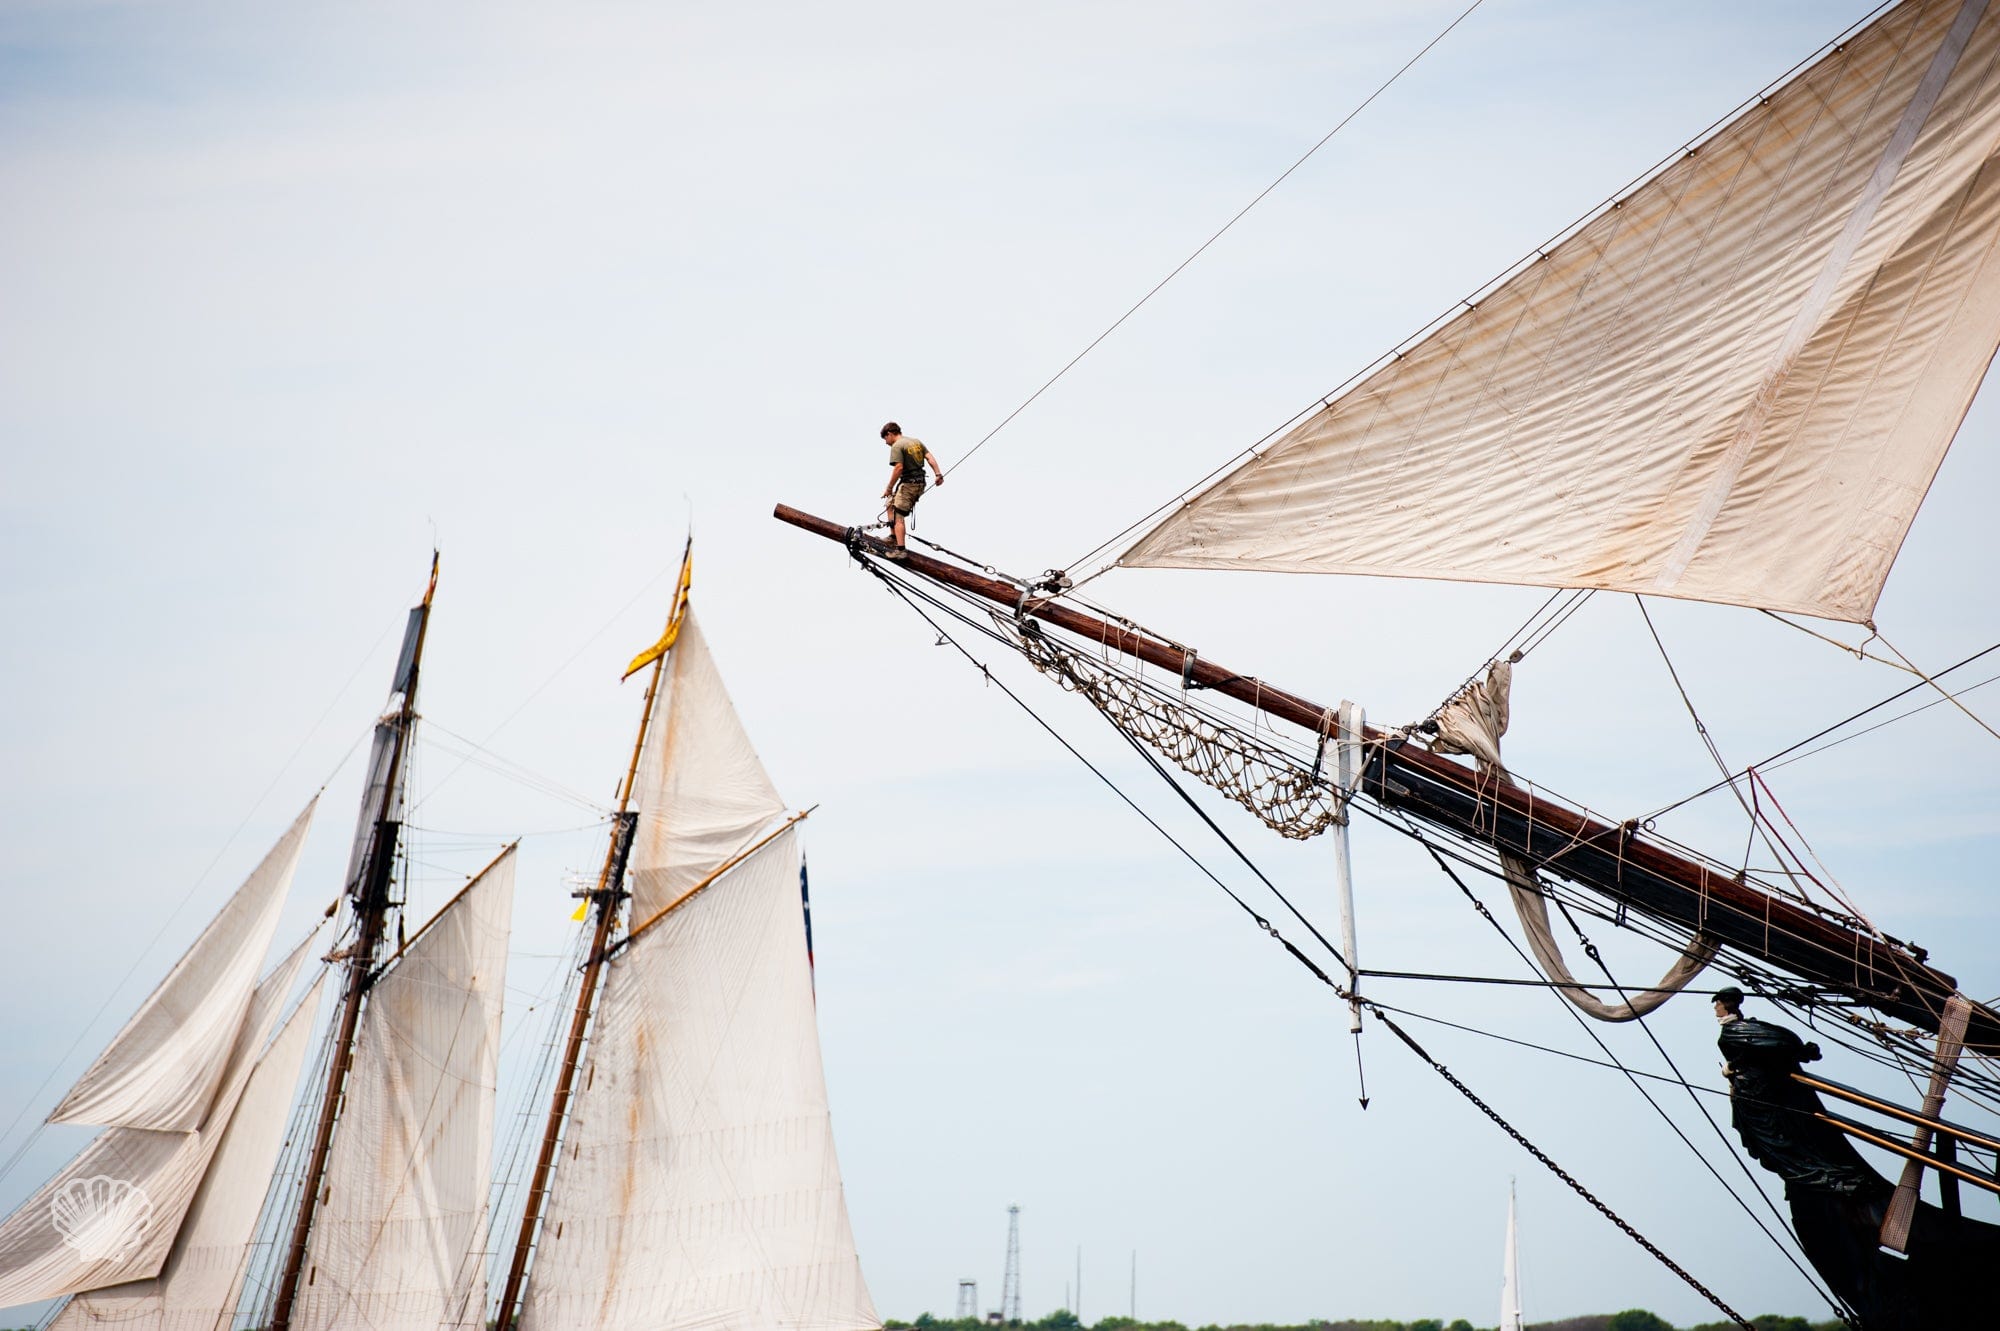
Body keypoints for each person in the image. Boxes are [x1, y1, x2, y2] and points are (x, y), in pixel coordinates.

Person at [878, 422, 943, 556]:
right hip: (919, 482)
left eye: (885, 439)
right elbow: (930, 458)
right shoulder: (915, 442)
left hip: (909, 485)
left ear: (889, 434)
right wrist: (938, 474)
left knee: (898, 515)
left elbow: (898, 468)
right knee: (889, 504)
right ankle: (893, 537)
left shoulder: (897, 446)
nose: (886, 443)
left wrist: (889, 487)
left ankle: (901, 550)